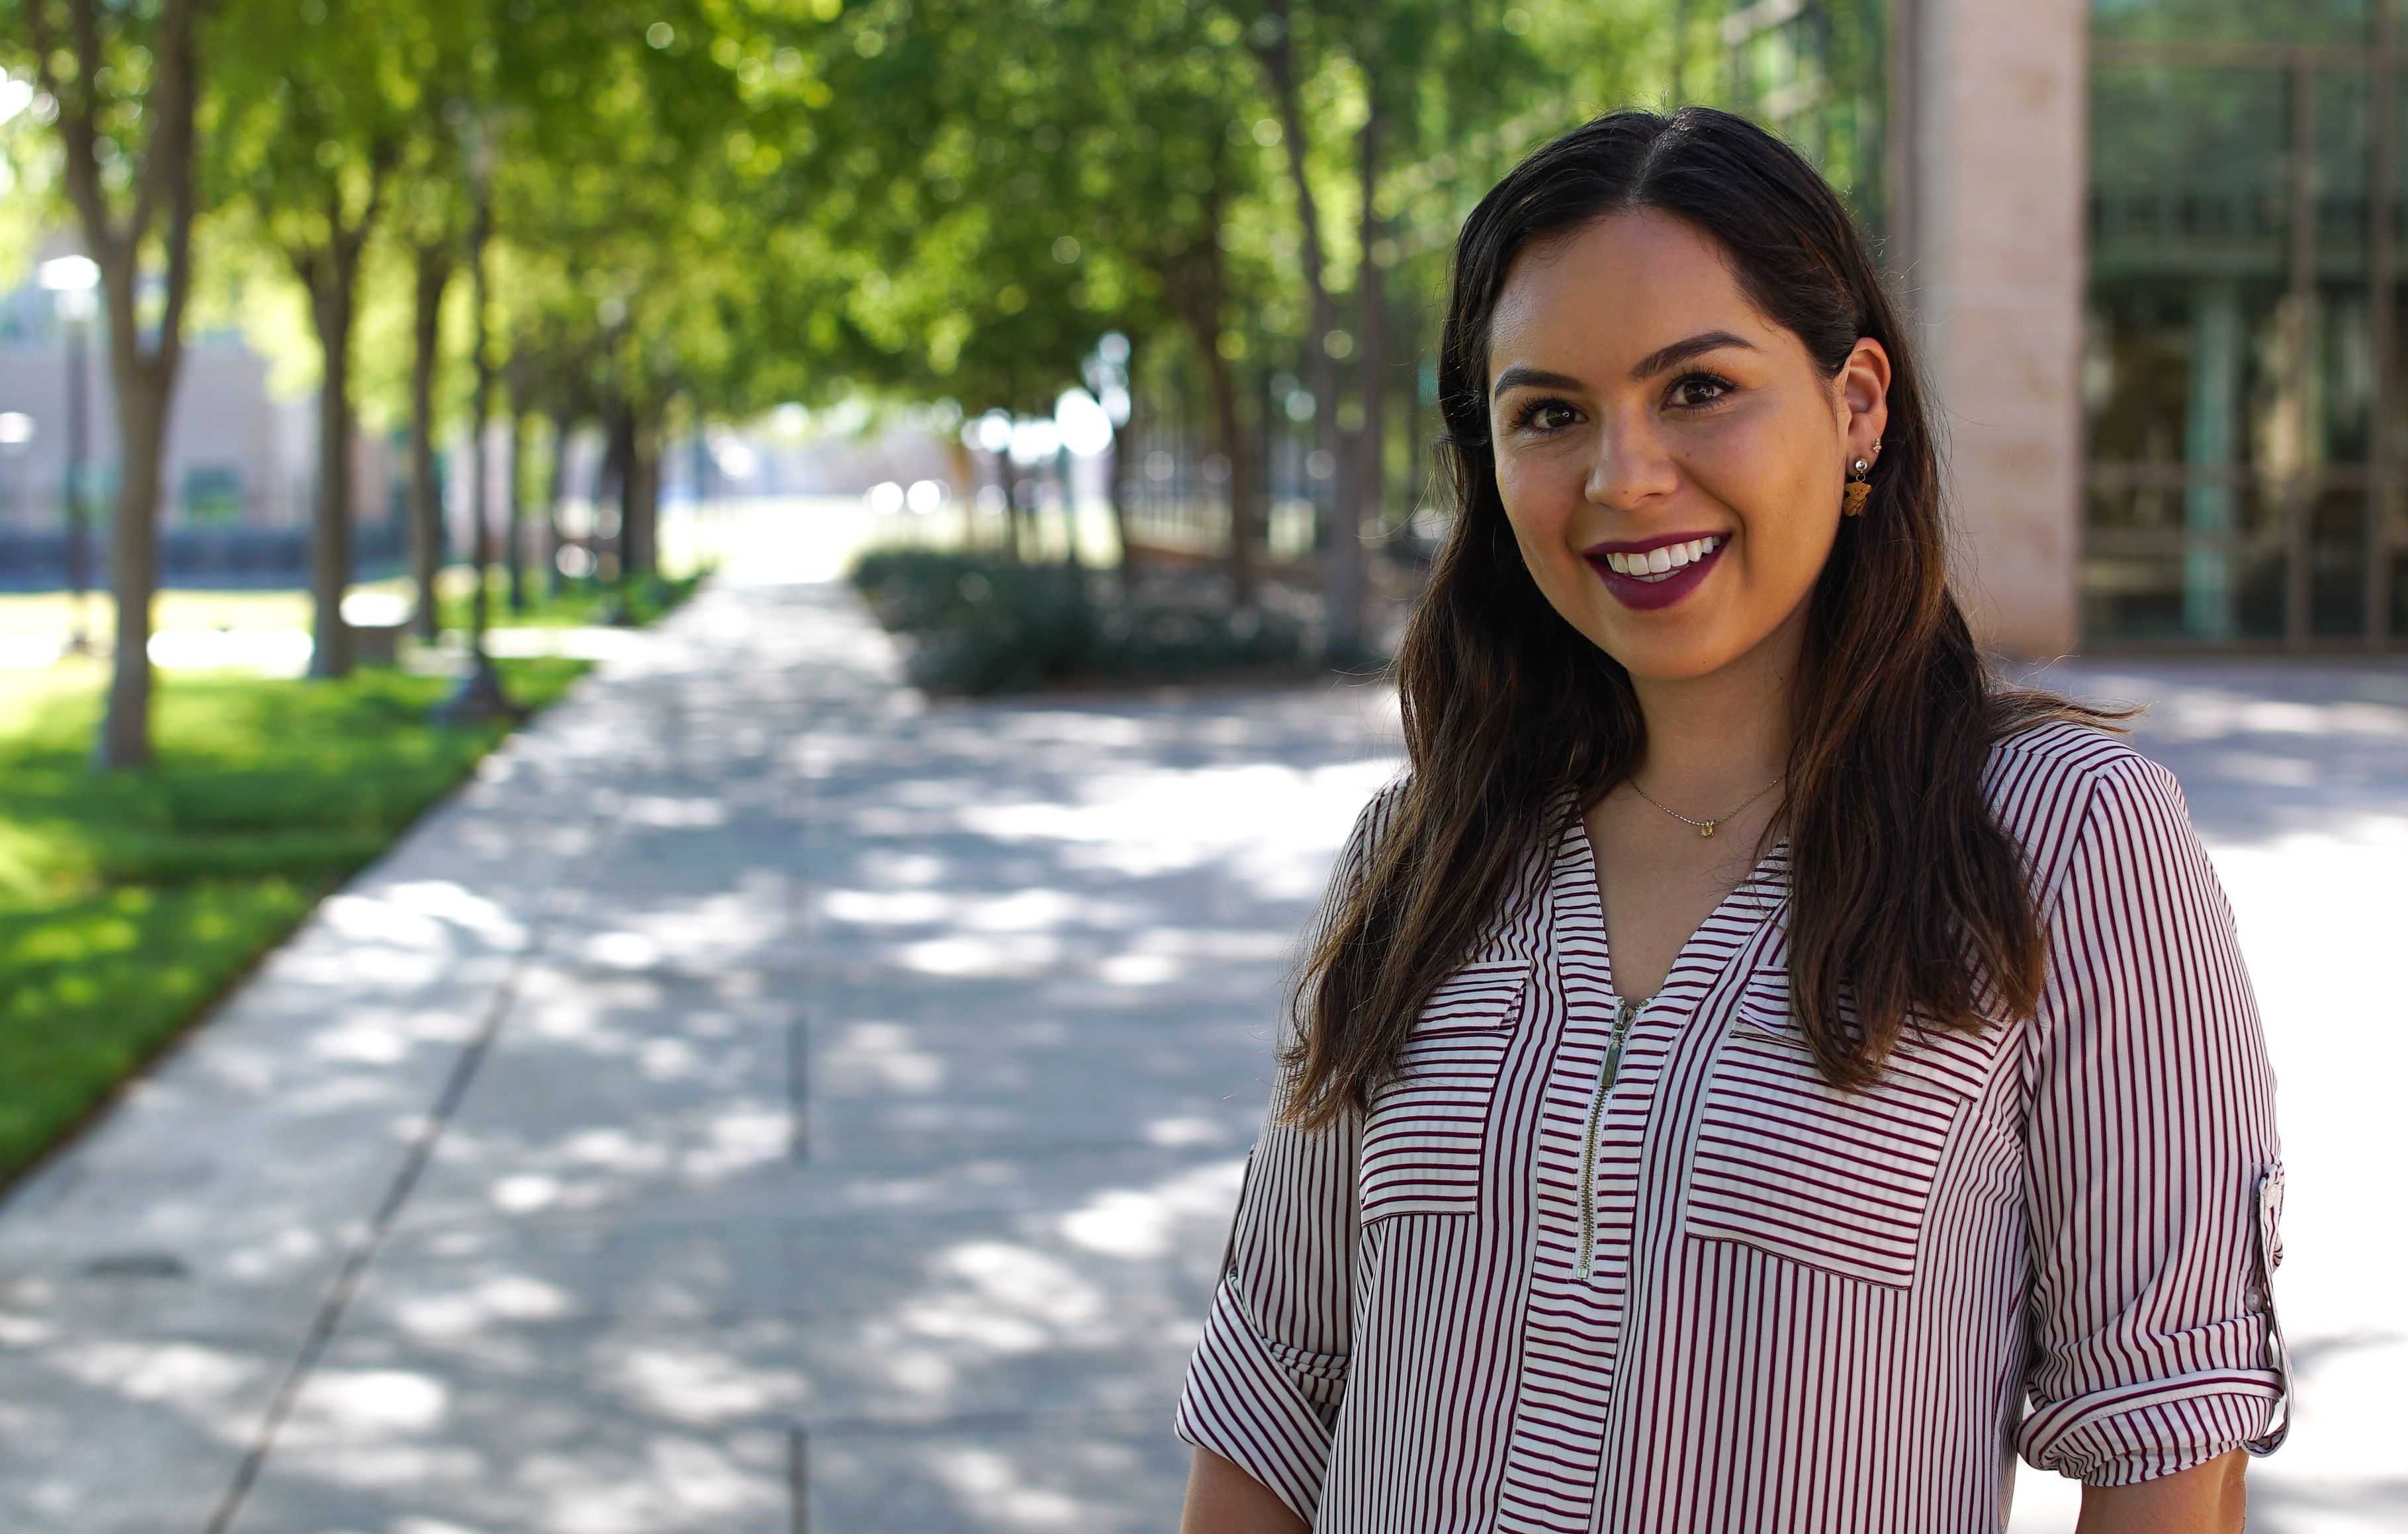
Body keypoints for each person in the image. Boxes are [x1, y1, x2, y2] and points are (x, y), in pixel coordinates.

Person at [1174, 107, 2286, 1534]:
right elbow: (1270, 1394)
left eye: (1694, 389)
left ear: (1855, 405)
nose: (1621, 476)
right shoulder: (1422, 850)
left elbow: (2165, 1443)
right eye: (1549, 413)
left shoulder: (2059, 843)